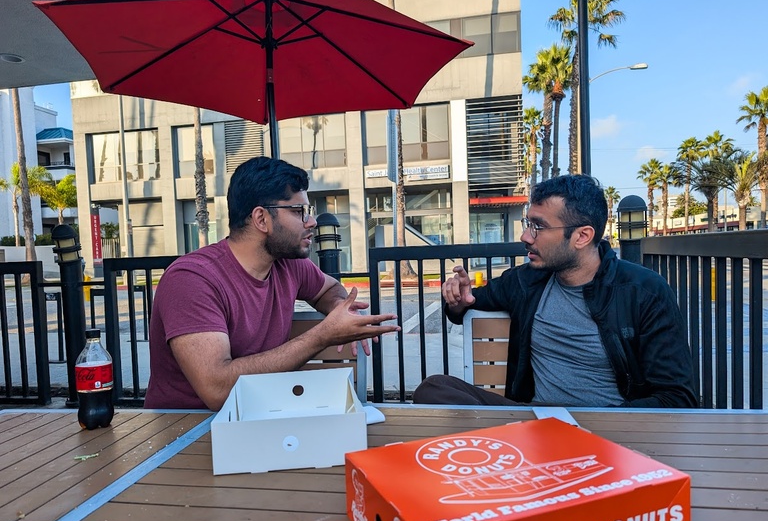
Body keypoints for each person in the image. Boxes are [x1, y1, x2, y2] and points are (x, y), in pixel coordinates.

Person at [413, 174, 698, 409]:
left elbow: (676, 397)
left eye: (538, 226)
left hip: (611, 428)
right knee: (434, 389)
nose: (525, 236)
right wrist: (458, 299)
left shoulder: (642, 291)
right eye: (528, 223)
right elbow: (468, 304)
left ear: (582, 236)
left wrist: (602, 425)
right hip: (534, 419)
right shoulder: (527, 281)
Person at [145, 157, 399, 410]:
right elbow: (216, 390)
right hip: (188, 429)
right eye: (299, 212)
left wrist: (339, 307)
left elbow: (329, 288)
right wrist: (321, 337)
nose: (311, 222)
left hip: (266, 416)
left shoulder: (287, 263)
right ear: (261, 219)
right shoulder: (192, 279)